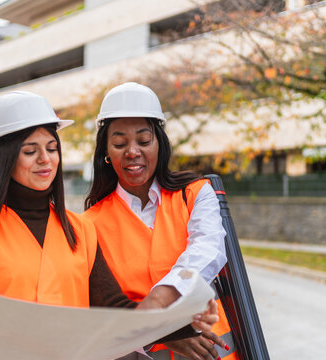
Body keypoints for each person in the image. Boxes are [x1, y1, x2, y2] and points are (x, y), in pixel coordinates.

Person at [0, 91, 217, 360]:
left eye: (52, 148)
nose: (46, 160)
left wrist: (176, 325)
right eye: (30, 151)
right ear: (4, 159)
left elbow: (114, 313)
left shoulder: (80, 231)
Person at [84, 82, 239, 360]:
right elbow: (101, 308)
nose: (132, 152)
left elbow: (207, 250)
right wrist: (161, 331)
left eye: (144, 141)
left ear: (160, 143)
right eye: (120, 143)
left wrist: (158, 301)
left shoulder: (194, 194)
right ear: (106, 152)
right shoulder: (88, 225)